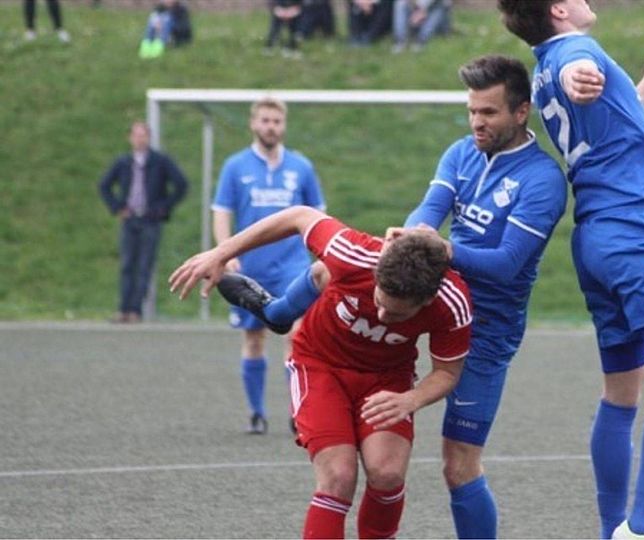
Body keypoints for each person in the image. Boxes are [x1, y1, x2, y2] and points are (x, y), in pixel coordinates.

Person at [240, 54, 567, 539]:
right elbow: (430, 208)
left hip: (486, 330)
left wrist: (440, 248)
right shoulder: (461, 153)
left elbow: (506, 263)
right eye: (472, 111)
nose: (477, 121)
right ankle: (290, 334)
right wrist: (413, 237)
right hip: (426, 301)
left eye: (489, 113)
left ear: (521, 113)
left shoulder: (542, 180)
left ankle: (284, 320)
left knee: (459, 466)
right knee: (341, 273)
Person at [497, 1, 644, 539]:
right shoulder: (576, 52)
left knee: (621, 395)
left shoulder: (545, 61)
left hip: (597, 237)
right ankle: (642, 531)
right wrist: (584, 76)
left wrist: (641, 82)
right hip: (637, 231)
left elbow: (605, 122)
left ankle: (611, 530)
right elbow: (583, 74)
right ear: (559, 9)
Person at [168, 205, 472, 539]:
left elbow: (446, 372)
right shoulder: (353, 254)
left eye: (397, 315)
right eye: (379, 300)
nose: (382, 315)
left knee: (387, 474)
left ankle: (279, 311)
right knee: (338, 477)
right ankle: (278, 311)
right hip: (320, 365)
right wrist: (220, 252)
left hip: (388, 378)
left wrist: (411, 399)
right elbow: (298, 215)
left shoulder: (451, 303)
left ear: (427, 300)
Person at [212, 97, 326, 434]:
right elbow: (222, 211)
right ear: (253, 123)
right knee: (254, 338)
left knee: (297, 336)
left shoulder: (300, 167)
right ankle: (257, 413)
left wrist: (321, 256)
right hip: (250, 268)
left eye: (276, 121)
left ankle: (298, 411)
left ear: (283, 125)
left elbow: (318, 215)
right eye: (265, 120)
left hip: (292, 266)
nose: (270, 126)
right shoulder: (235, 166)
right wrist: (224, 252)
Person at [98, 121, 188, 324]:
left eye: (143, 135)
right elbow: (104, 186)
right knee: (127, 265)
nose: (140, 139)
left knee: (145, 266)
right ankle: (123, 308)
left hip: (150, 220)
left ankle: (136, 310)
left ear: (149, 137)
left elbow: (181, 185)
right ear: (130, 138)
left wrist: (163, 208)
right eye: (136, 135)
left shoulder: (160, 161)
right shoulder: (123, 162)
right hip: (129, 220)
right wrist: (117, 207)